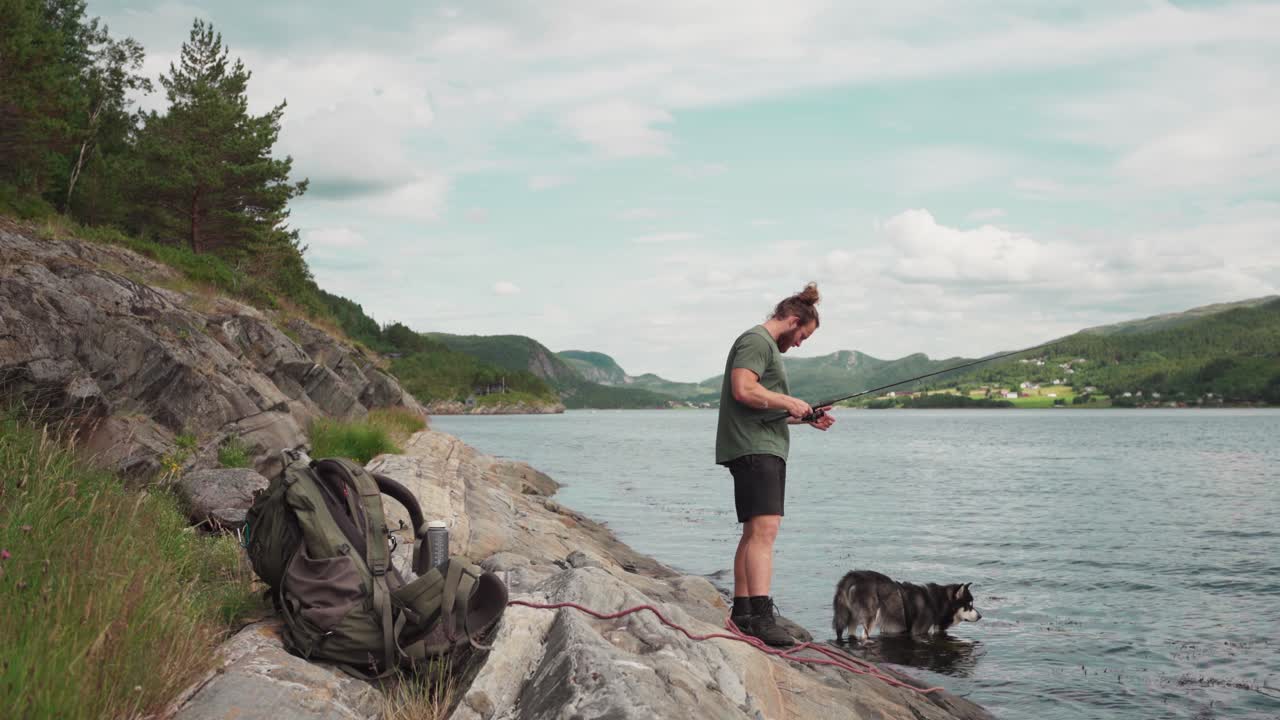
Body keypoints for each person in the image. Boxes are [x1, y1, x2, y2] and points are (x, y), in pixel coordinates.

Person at [715, 282, 836, 646]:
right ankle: (763, 618)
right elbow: (743, 389)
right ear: (793, 320)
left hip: (758, 443)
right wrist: (788, 400)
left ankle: (743, 612)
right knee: (765, 534)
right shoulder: (757, 342)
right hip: (756, 450)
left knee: (753, 533)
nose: (799, 344)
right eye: (802, 336)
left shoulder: (763, 346)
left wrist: (804, 416)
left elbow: (762, 410)